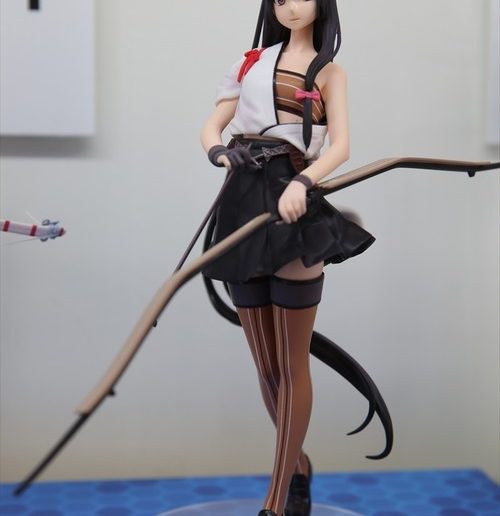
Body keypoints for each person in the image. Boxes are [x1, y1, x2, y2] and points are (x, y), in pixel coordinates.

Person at [201, 1, 375, 515]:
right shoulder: (250, 61)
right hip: (242, 203)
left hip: (294, 204)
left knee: (291, 361)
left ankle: (275, 502)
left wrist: (303, 181)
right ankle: (297, 466)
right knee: (266, 365)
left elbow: (340, 146)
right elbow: (213, 125)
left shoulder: (330, 72)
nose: (289, 5)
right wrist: (218, 152)